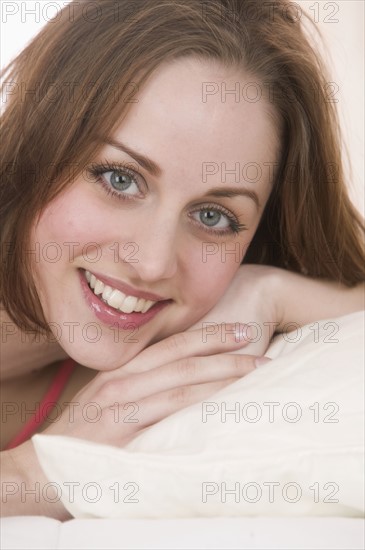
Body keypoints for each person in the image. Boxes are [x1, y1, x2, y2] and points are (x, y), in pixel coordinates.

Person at [1, 0, 363, 519]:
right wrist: (36, 473)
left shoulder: (144, 365)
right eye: (119, 180)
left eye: (214, 217)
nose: (152, 263)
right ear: (37, 146)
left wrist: (267, 291)